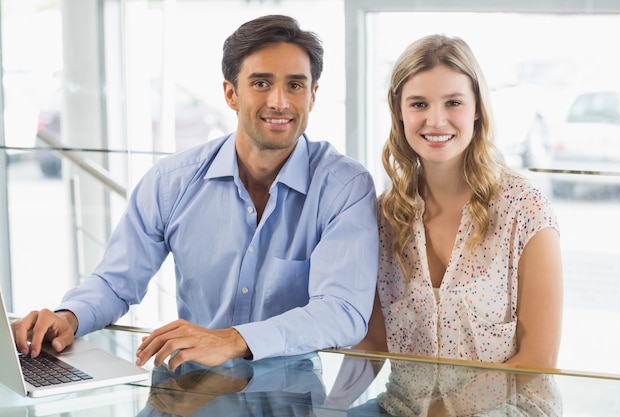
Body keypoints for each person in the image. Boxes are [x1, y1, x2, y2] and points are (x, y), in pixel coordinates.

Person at [11, 14, 378, 370]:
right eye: (261, 83)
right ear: (231, 94)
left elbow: (341, 312)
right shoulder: (171, 182)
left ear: (312, 97)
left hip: (293, 400)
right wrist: (68, 316)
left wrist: (234, 340)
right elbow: (115, 281)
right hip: (191, 394)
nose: (279, 102)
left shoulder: (344, 187)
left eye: (295, 85)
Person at [355, 34, 563, 368]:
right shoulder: (384, 217)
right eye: (419, 104)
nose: (436, 121)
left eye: (453, 103)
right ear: (399, 111)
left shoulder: (526, 210)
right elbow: (374, 344)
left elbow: (539, 359)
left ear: (478, 108)